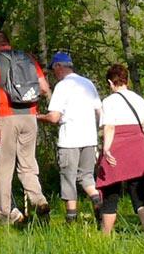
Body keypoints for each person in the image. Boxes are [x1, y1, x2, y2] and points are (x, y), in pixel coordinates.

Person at [0, 31, 52, 224]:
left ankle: (2, 214)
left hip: (7, 117)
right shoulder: (27, 58)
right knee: (28, 165)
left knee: (4, 168)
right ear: (9, 43)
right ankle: (39, 200)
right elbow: (44, 88)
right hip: (30, 116)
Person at [98, 63, 144, 235]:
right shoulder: (138, 100)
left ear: (110, 82)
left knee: (110, 194)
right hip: (137, 150)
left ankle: (104, 237)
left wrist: (106, 150)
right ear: (126, 80)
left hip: (116, 149)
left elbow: (109, 127)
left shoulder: (108, 101)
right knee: (139, 193)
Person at [39, 51, 103, 223]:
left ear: (59, 67)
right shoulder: (88, 84)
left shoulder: (62, 86)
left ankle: (71, 219)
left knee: (68, 178)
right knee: (87, 176)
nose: (54, 74)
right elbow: (99, 112)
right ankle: (97, 200)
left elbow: (54, 117)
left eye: (53, 69)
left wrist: (37, 117)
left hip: (70, 140)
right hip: (89, 138)